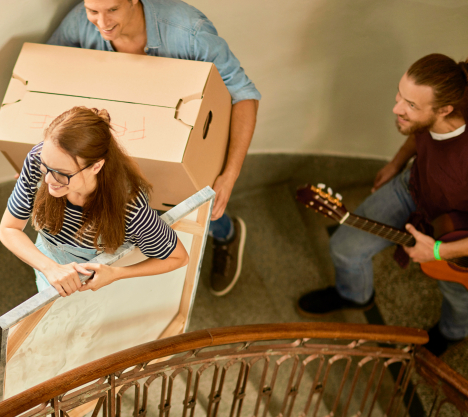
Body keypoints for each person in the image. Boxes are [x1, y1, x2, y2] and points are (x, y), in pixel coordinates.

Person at [47, 0, 261, 297]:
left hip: (183, 148)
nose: (101, 22)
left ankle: (226, 233)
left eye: (112, 10)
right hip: (118, 144)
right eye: (92, 11)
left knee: (199, 208)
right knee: (140, 216)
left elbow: (244, 95)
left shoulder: (189, 31)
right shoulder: (78, 23)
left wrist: (229, 175)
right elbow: (47, 68)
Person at [297, 54, 468, 357]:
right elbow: (421, 133)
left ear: (445, 110)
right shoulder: (439, 100)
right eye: (400, 95)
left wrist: (439, 252)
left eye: (410, 105)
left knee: (458, 294)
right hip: (413, 189)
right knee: (345, 247)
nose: (396, 108)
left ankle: (451, 332)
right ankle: (354, 296)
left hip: (457, 237)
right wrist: (397, 162)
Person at [0, 106, 188, 296]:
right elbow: (8, 228)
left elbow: (178, 257)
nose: (47, 180)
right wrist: (50, 268)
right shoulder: (37, 159)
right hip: (48, 267)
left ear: (96, 166)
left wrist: (116, 274)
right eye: (45, 166)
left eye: (62, 174)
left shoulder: (129, 207)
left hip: (97, 285)